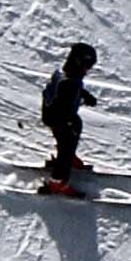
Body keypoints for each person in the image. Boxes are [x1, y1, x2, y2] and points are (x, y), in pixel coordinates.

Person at [39, 42, 100, 190]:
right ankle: (58, 180)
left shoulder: (68, 74)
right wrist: (67, 123)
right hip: (59, 118)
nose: (88, 70)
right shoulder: (69, 82)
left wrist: (85, 95)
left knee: (72, 130)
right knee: (68, 139)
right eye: (88, 66)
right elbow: (65, 99)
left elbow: (74, 86)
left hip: (54, 115)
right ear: (79, 62)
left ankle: (67, 157)